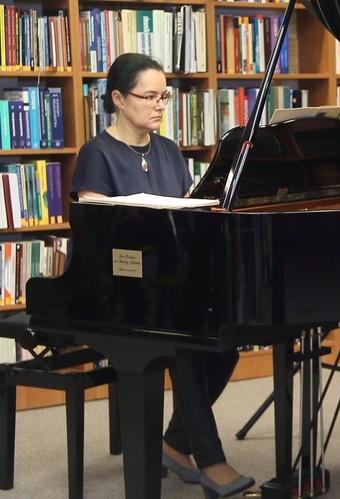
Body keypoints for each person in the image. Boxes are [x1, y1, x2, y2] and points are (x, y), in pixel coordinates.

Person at [71, 53, 255, 499]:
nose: (159, 105)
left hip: (167, 283)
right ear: (118, 98)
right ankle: (211, 461)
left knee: (225, 342)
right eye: (148, 96)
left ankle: (173, 444)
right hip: (117, 290)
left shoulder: (169, 150)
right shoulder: (97, 154)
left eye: (164, 96)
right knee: (186, 344)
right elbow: (99, 241)